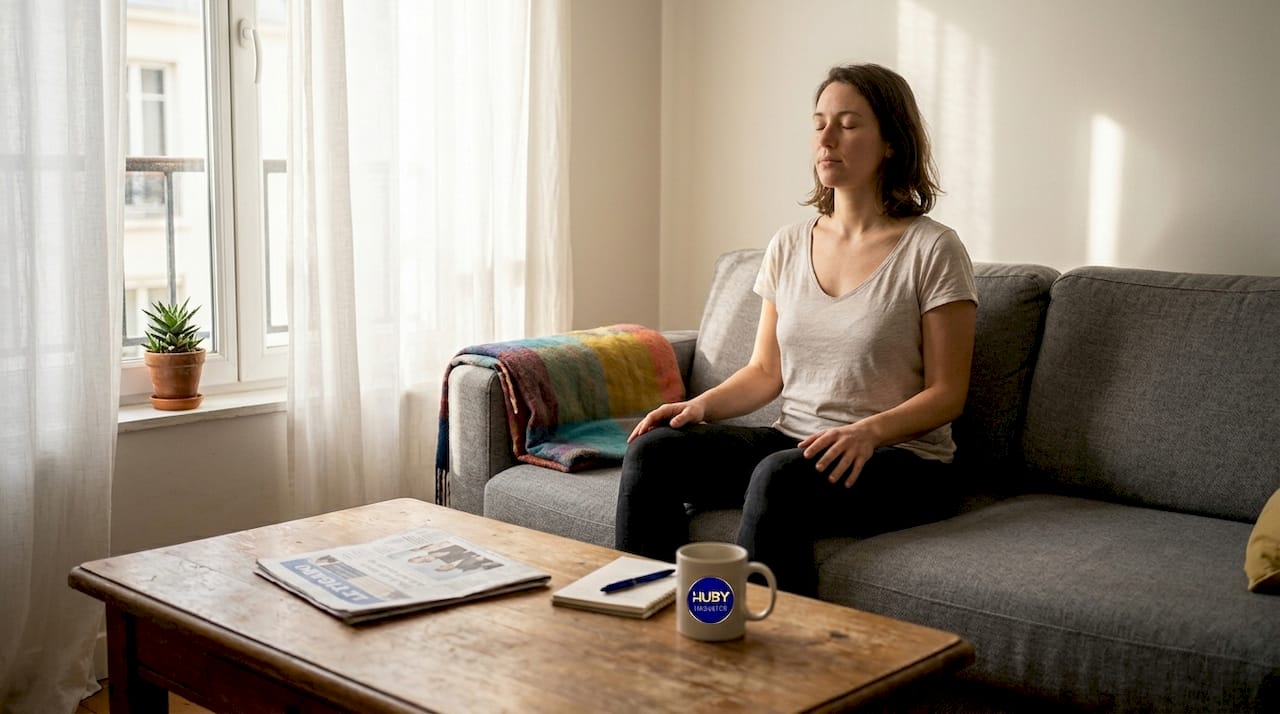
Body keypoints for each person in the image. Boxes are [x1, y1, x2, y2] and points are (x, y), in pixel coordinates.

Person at [614, 63, 978, 597]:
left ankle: (767, 656)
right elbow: (766, 371)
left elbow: (948, 394)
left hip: (903, 463)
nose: (826, 138)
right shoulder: (789, 243)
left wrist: (868, 431)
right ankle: (644, 616)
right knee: (655, 453)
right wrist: (702, 406)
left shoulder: (933, 249)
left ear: (892, 143)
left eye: (849, 124)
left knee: (780, 478)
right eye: (819, 123)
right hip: (799, 444)